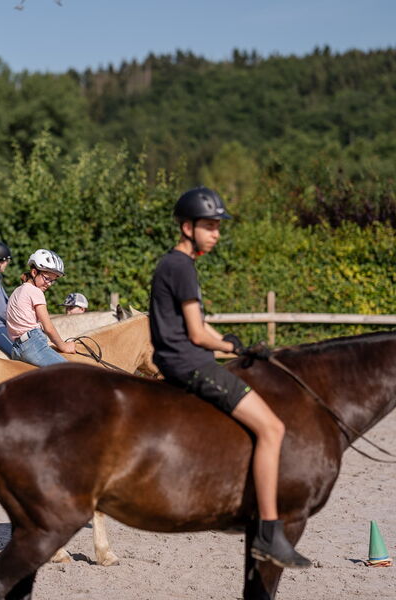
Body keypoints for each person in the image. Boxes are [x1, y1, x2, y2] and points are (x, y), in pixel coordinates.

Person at [149, 186, 312, 569]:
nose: (216, 233)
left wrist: (229, 346)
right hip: (190, 362)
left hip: (180, 359)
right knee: (272, 428)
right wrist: (231, 346)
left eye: (218, 226)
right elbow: (197, 333)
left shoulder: (172, 264)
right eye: (209, 226)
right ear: (187, 227)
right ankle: (269, 533)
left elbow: (196, 327)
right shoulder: (182, 266)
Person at [6, 249, 76, 366]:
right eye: (47, 278)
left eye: (53, 281)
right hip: (32, 344)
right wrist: (64, 346)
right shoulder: (35, 291)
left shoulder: (17, 291)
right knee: (70, 371)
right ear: (34, 272)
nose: (49, 284)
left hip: (16, 349)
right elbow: (48, 328)